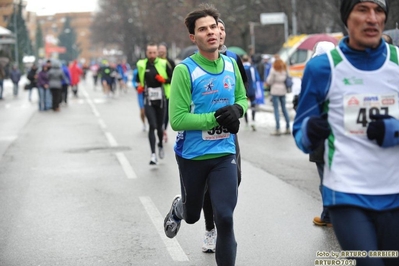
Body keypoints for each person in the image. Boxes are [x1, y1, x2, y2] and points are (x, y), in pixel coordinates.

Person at [293, 1, 399, 265]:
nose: (372, 18)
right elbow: (301, 131)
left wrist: (393, 130)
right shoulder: (322, 68)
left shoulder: (397, 61)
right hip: (346, 192)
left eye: (379, 11)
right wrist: (310, 132)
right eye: (363, 10)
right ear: (346, 18)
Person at [163, 5, 248, 266]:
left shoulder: (231, 64)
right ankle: (180, 207)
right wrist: (215, 118)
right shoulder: (184, 70)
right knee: (192, 215)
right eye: (203, 29)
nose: (210, 32)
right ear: (193, 37)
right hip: (192, 155)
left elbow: (242, 98)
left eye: (213, 26)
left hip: (224, 153)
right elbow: (177, 119)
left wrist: (237, 109)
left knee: (225, 217)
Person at [200, 17, 248, 254]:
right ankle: (211, 228)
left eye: (221, 29)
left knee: (234, 179)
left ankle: (222, 220)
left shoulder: (233, 59)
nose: (217, 33)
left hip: (228, 133)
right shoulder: (194, 63)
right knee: (209, 185)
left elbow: (243, 92)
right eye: (212, 29)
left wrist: (237, 111)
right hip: (204, 136)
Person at [136, 42, 172, 165]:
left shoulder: (163, 63)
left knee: (160, 127)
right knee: (153, 125)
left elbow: (172, 78)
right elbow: (138, 80)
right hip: (149, 99)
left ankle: (160, 143)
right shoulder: (141, 64)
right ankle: (153, 155)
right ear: (146, 53)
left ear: (157, 53)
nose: (152, 55)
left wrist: (164, 80)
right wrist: (139, 87)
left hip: (161, 99)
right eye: (150, 52)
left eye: (154, 52)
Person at [266, 56, 291, 136]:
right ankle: (287, 127)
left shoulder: (273, 69)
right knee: (284, 109)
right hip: (283, 90)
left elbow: (269, 81)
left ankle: (278, 128)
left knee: (276, 110)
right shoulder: (284, 69)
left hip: (275, 90)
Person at [158, 42, 176, 143]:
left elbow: (174, 77)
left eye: (162, 49)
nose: (161, 51)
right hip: (156, 92)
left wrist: (164, 80)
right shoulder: (155, 62)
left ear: (166, 50)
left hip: (168, 91)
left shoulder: (170, 62)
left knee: (166, 113)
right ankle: (160, 128)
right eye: (159, 49)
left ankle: (163, 129)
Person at [242, 54, 261, 131]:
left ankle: (246, 123)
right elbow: (256, 78)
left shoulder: (241, 68)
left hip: (244, 90)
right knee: (253, 105)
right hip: (252, 90)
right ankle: (253, 121)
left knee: (245, 106)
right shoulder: (252, 68)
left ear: (242, 60)